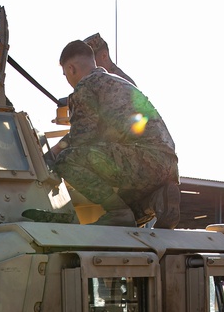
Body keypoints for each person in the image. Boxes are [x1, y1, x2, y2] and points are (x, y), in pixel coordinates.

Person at [50, 40, 181, 227]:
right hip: (168, 165)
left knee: (67, 160)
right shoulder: (119, 82)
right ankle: (158, 199)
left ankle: (117, 212)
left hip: (142, 159)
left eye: (65, 74)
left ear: (71, 69)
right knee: (128, 207)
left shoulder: (86, 85)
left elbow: (81, 140)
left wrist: (53, 154)